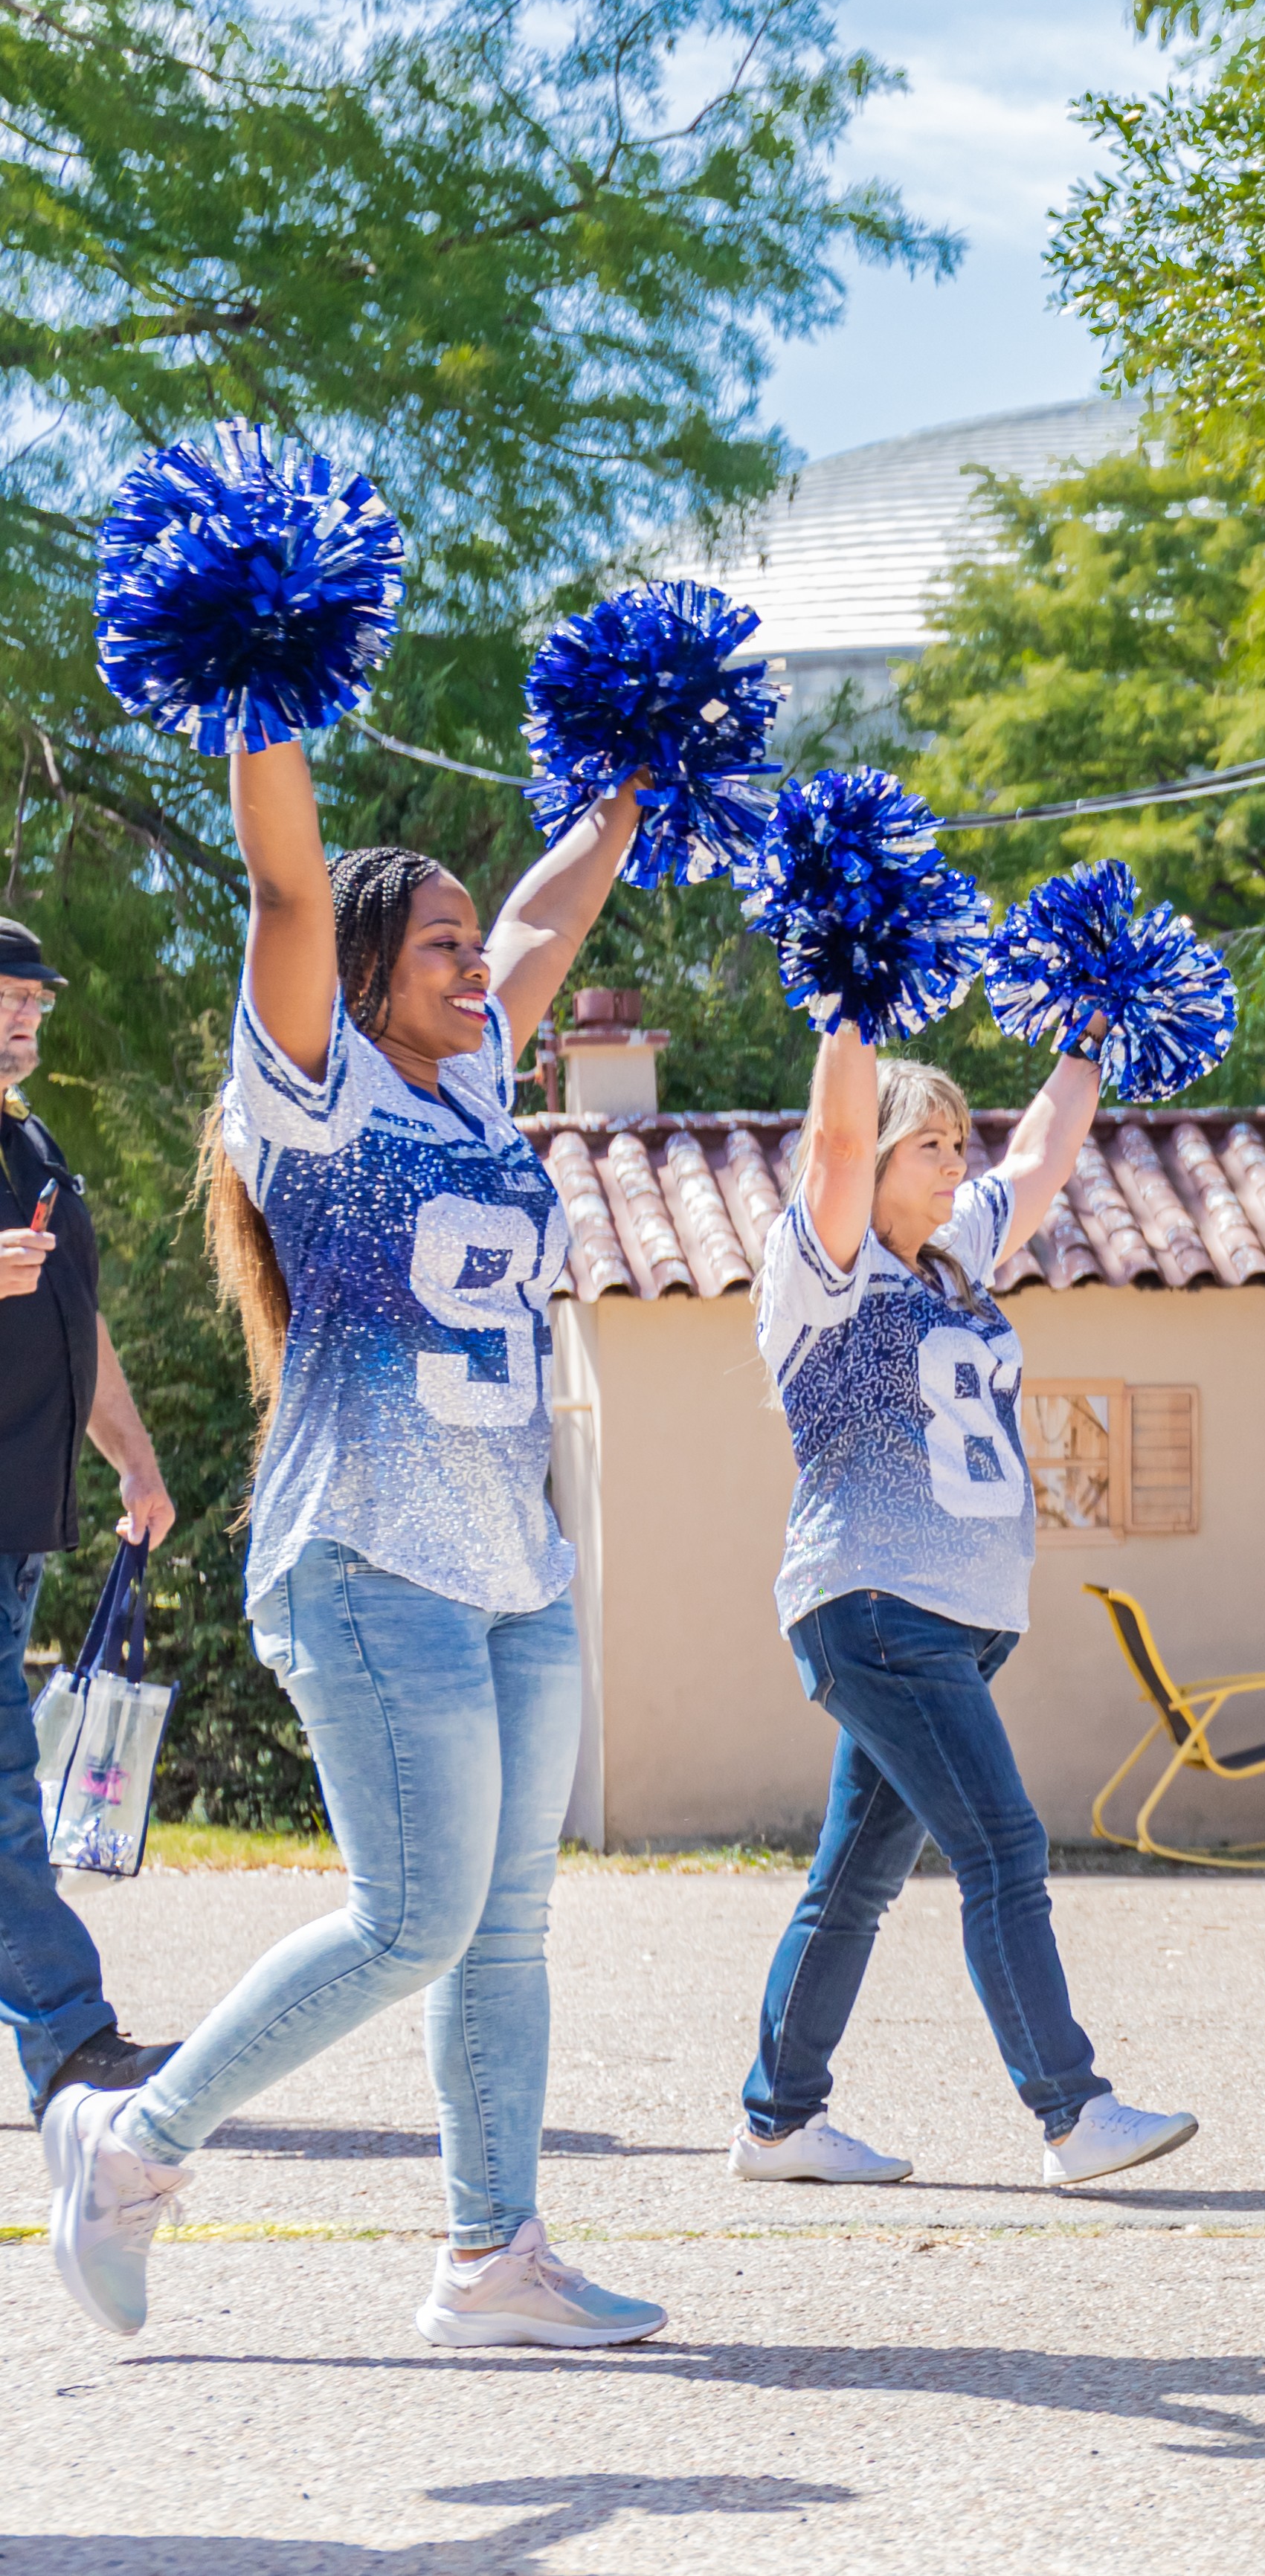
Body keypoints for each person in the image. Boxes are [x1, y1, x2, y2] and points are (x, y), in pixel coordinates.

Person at [46, 738, 660, 2345]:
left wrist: (623, 805)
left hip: (514, 1572)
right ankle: (133, 2139)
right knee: (412, 1920)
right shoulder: (312, 1092)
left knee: (506, 1923)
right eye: (440, 945)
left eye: (475, 944)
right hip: (370, 1559)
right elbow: (288, 882)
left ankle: (490, 2256)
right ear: (369, 972)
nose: (478, 964)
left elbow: (550, 921)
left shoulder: (471, 1076)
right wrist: (268, 705)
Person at [730, 1029, 1196, 2189]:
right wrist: (850, 996)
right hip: (877, 1605)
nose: (955, 1162)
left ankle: (779, 2123)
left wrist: (1090, 1034)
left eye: (956, 1141)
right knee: (1002, 1843)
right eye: (926, 1144)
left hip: (949, 1619)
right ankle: (1070, 2111)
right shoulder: (822, 1273)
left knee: (855, 1878)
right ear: (868, 1162)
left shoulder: (955, 1259)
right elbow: (836, 1137)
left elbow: (1040, 1158)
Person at [0, 920, 179, 2123]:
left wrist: (137, 1459)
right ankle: (69, 2036)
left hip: (22, 1524)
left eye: (33, 1004)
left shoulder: (38, 1146)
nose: (24, 1018)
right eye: (5, 999)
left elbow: (83, 1323)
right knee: (6, 1788)